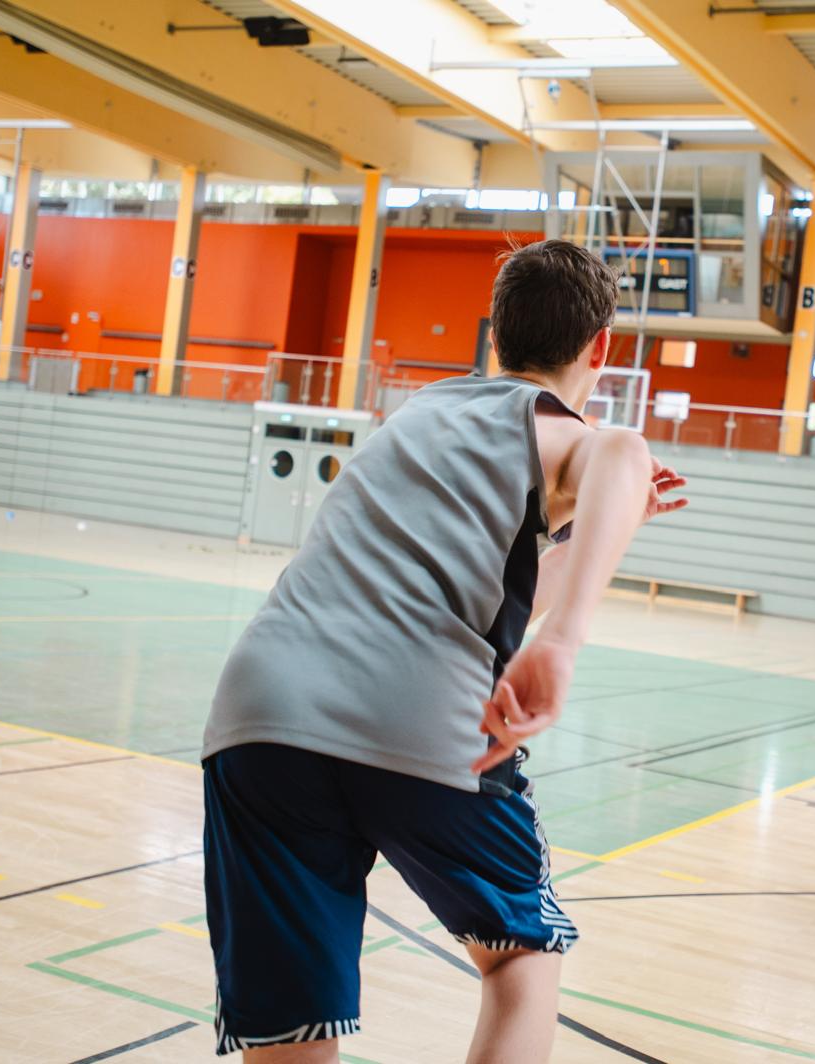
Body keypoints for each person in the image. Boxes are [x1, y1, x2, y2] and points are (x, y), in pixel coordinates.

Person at [199, 239, 687, 1060]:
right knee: (519, 962)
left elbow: (497, 588)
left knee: (295, 1016)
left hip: (260, 713)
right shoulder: (561, 429)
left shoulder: (421, 412)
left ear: (494, 333)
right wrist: (565, 638)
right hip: (422, 717)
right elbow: (621, 452)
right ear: (600, 348)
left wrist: (611, 527)